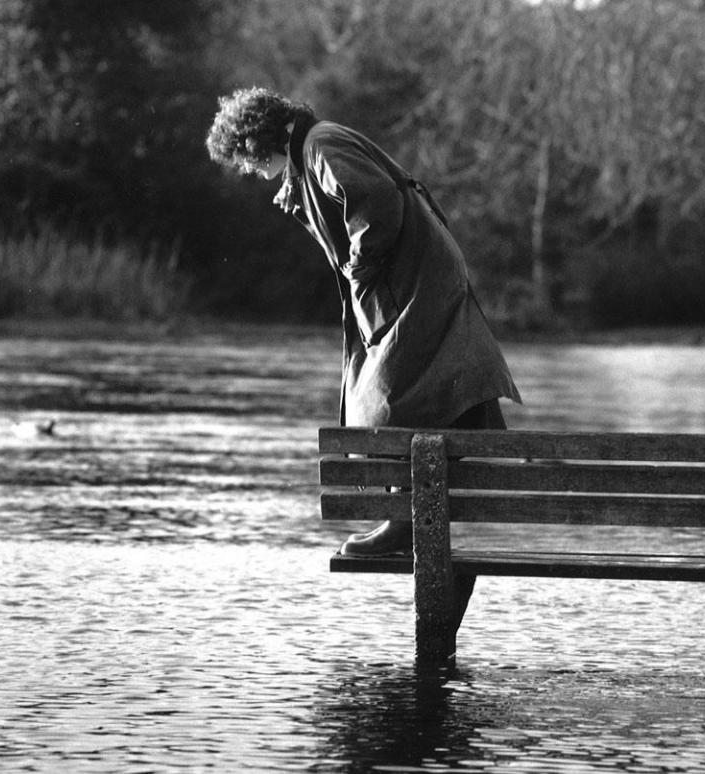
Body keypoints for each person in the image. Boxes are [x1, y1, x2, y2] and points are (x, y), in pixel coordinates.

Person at [206, 87, 520, 556]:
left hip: (413, 285)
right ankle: (409, 515)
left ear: (257, 139)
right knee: (399, 396)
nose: (249, 170)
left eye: (245, 159)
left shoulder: (320, 146)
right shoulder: (312, 151)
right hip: (412, 282)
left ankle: (404, 520)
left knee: (385, 401)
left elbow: (377, 204)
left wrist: (359, 267)